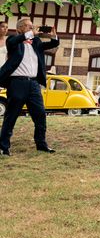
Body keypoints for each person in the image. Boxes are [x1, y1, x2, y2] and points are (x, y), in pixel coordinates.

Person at [0, 18, 60, 155]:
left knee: (40, 115)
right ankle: (3, 146)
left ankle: (41, 144)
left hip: (33, 84)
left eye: (32, 27)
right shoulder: (12, 41)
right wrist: (33, 33)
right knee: (11, 116)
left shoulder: (36, 42)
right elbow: (15, 41)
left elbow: (53, 44)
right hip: (17, 83)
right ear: (20, 28)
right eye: (29, 26)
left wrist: (53, 36)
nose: (32, 29)